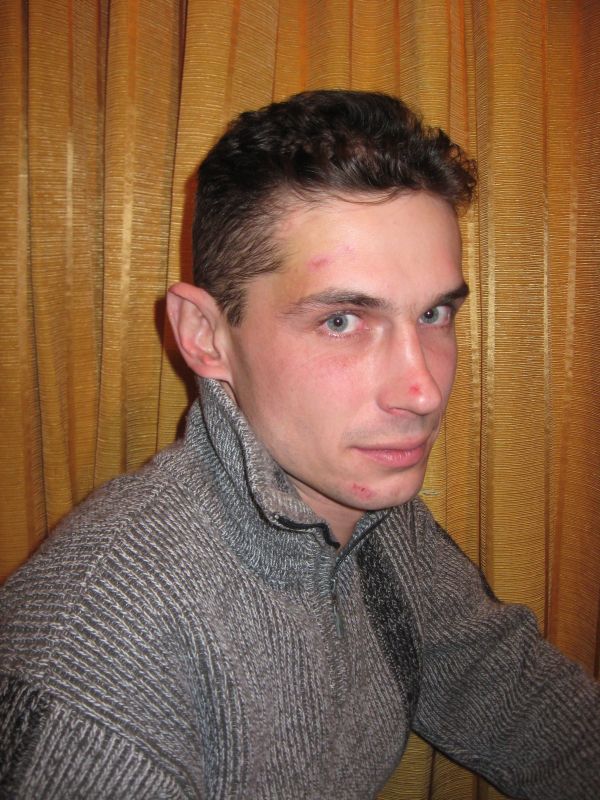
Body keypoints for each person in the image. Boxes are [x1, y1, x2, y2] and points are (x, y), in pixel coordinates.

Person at [0, 90, 598, 799]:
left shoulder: (378, 522)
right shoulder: (94, 665)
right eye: (342, 320)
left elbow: (522, 699)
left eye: (435, 313)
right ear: (205, 336)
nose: (423, 392)